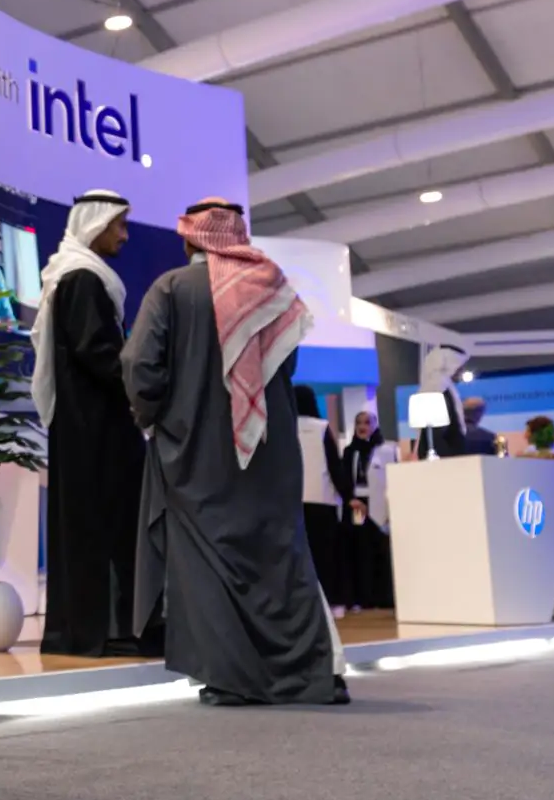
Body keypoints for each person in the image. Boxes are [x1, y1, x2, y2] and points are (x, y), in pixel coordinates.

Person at [126, 199, 347, 706]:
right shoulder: (274, 288)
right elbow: (286, 370)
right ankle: (310, 676)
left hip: (194, 450)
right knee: (280, 558)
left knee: (207, 561)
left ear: (191, 240)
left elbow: (141, 366)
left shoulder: (171, 289)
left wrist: (153, 417)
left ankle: (232, 681)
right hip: (268, 451)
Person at [30, 190, 148, 658]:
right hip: (95, 428)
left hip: (87, 426)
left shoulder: (81, 275)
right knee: (104, 525)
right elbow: (98, 353)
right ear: (96, 226)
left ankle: (92, 630)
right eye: (118, 225)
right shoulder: (82, 278)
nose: (124, 234)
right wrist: (142, 384)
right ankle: (105, 631)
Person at [296, 387, 351, 610]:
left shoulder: (284, 427)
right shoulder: (322, 428)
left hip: (294, 502)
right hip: (323, 501)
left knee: (301, 556)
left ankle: (304, 604)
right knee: (327, 555)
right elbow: (335, 467)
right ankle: (331, 601)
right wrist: (349, 496)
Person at [339, 410, 398, 611]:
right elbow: (344, 478)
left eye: (367, 422)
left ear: (375, 424)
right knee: (359, 549)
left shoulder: (387, 449)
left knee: (380, 550)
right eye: (359, 423)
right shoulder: (349, 451)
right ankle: (362, 597)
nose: (363, 427)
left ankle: (383, 597)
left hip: (380, 504)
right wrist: (351, 499)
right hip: (357, 505)